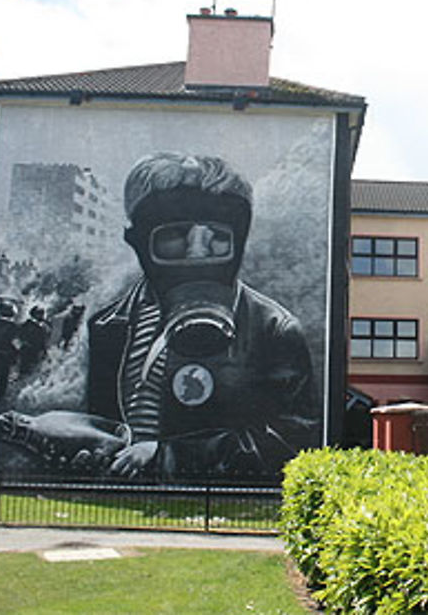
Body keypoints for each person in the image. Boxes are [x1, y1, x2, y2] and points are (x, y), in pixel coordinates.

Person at [85, 152, 319, 480]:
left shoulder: (273, 330)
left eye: (217, 237)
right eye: (176, 235)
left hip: (214, 505)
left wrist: (170, 457)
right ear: (135, 240)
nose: (198, 250)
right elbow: (101, 424)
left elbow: (293, 439)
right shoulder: (108, 327)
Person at [17, 306, 50, 376]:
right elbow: (20, 336)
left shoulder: (45, 326)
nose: (40, 316)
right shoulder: (27, 325)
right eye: (38, 314)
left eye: (41, 314)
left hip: (38, 351)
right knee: (25, 370)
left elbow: (45, 339)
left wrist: (44, 350)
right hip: (27, 351)